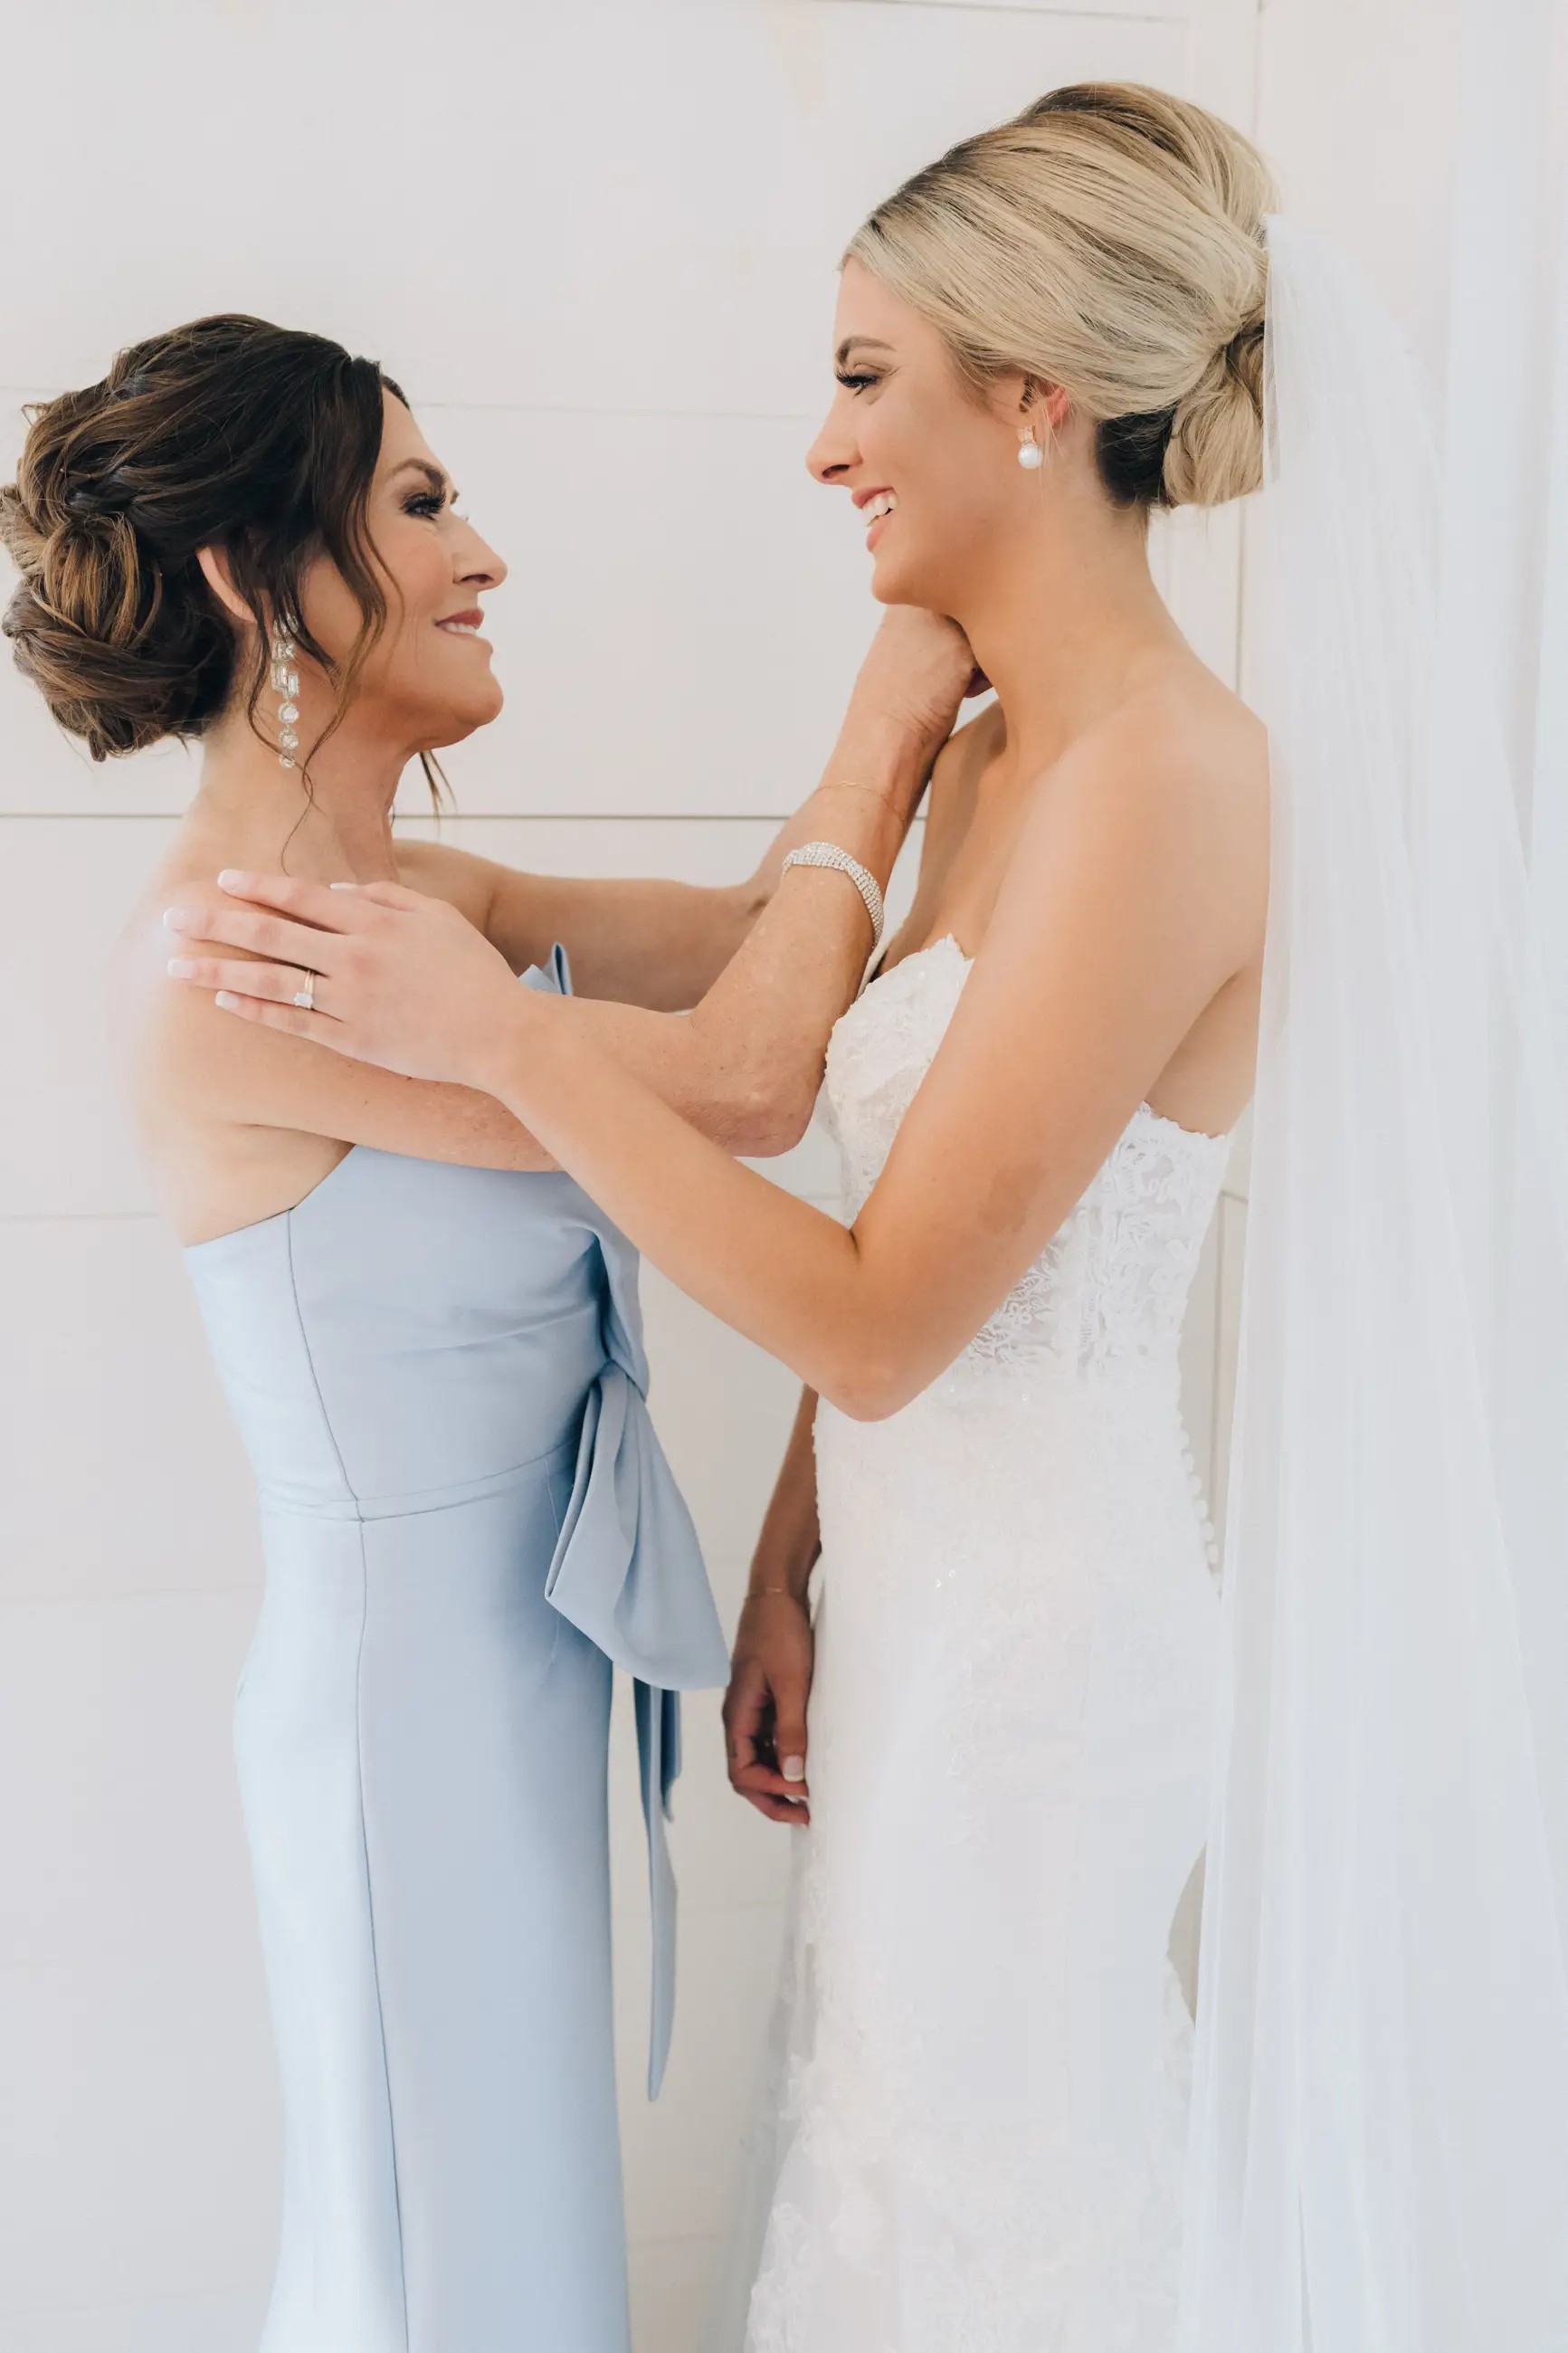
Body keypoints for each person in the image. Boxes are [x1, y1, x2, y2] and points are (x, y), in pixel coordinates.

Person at [170, 85, 1275, 2347]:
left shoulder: (1170, 776)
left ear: (1041, 393)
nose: (820, 445)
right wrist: (797, 1541)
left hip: (1046, 1652)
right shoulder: (989, 766)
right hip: (918, 1597)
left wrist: (505, 1043)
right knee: (880, 2186)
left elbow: (884, 1313)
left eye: (865, 378)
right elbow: (940, 1209)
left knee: (1005, 2216)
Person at [0, 314, 974, 2350]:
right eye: (423, 505)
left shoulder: (425, 897)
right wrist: (897, 704)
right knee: (440, 2271)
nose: (486, 554)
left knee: (505, 2255)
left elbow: (761, 944)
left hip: (507, 1692)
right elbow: (741, 1075)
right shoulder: (226, 964)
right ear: (257, 581)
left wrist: (974, 780)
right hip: (402, 1727)